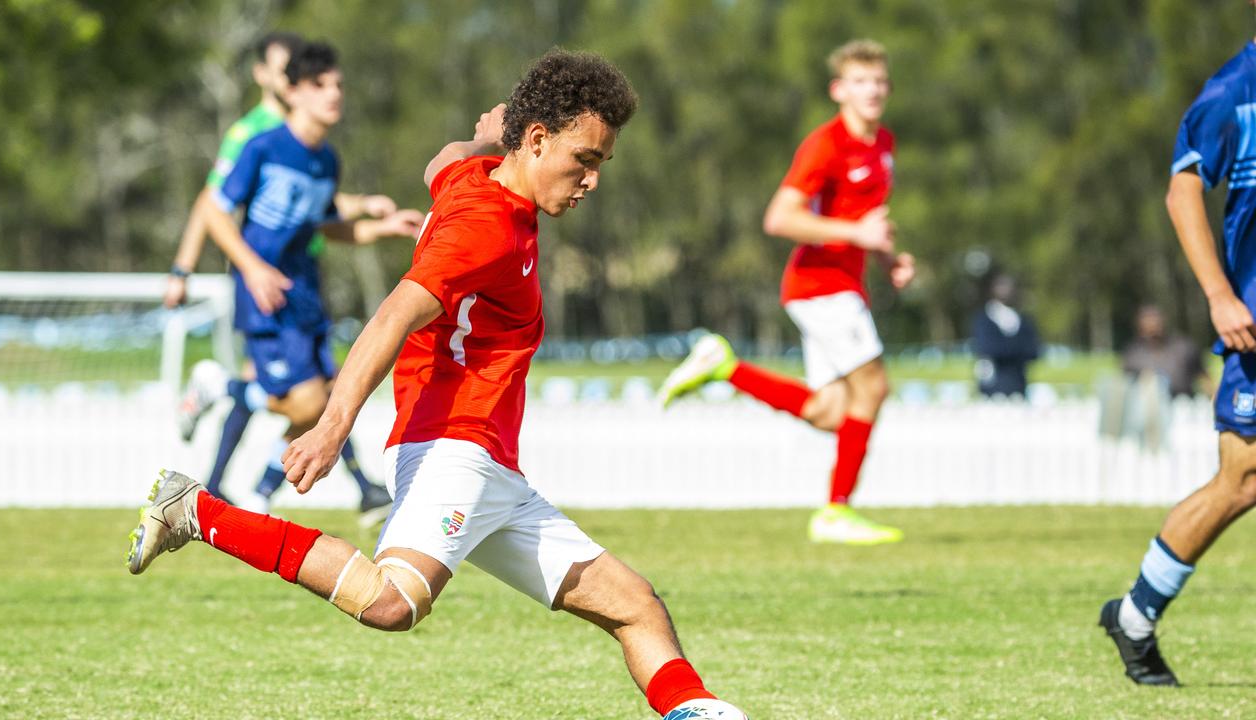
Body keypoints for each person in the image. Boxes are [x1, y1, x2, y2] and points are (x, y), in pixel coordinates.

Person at [128, 50, 747, 719]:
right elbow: (394, 312)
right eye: (586, 160)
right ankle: (197, 510)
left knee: (635, 606)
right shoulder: (484, 229)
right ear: (537, 141)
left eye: (601, 163)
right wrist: (333, 427)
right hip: (449, 445)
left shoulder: (474, 175)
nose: (592, 180)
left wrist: (488, 136)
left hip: (492, 470)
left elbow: (442, 158)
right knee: (392, 603)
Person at [657, 39, 914, 545]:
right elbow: (780, 217)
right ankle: (836, 511)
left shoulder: (884, 144)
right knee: (875, 388)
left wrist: (887, 259)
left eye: (880, 81)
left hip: (842, 286)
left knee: (832, 412)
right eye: (861, 81)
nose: (873, 90)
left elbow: (866, 224)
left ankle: (725, 367)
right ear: (839, 90)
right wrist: (857, 236)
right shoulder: (826, 144)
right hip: (819, 285)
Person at [170, 35, 411, 519]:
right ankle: (220, 388)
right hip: (265, 295)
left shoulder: (326, 159)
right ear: (294, 91)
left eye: (338, 84)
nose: (333, 94)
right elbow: (213, 210)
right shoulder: (263, 146)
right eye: (320, 84)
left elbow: (323, 224)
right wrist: (253, 267)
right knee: (307, 402)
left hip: (305, 293)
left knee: (325, 402)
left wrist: (380, 228)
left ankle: (259, 494)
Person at [1098, 24, 1256, 687]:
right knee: (1245, 477)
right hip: (1255, 324)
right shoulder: (1235, 94)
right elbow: (1182, 191)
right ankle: (1135, 616)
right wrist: (1220, 295)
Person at [971, 273, 1039, 398]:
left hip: (1018, 385)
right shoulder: (984, 319)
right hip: (992, 388)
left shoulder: (1023, 320)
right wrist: (1016, 348)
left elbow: (1034, 351)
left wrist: (1006, 347)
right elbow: (986, 349)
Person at [1121, 304, 1207, 399]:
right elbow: (1125, 385)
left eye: (1154, 319)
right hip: (1147, 407)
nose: (1152, 325)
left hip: (1182, 404)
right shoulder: (1133, 353)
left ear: (1163, 321)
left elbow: (1203, 378)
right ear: (1139, 325)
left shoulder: (1183, 347)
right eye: (1147, 320)